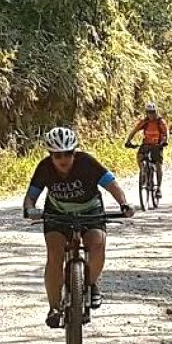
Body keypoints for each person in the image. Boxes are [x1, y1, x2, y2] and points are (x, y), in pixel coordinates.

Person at [22, 127, 134, 329]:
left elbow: (111, 184)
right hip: (57, 214)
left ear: (75, 152)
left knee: (97, 245)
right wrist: (30, 209)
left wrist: (124, 204)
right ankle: (54, 308)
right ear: (50, 155)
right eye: (57, 155)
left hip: (90, 211)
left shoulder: (87, 163)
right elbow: (31, 196)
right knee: (54, 255)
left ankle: (91, 284)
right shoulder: (44, 168)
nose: (63, 159)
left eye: (68, 153)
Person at [125, 102, 168, 196]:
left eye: (152, 112)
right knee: (139, 156)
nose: (151, 114)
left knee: (158, 165)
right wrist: (128, 141)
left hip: (157, 145)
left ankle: (159, 188)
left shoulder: (160, 121)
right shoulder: (145, 121)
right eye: (149, 112)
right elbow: (134, 131)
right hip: (146, 144)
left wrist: (164, 141)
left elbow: (165, 133)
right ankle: (143, 173)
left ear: (156, 112)